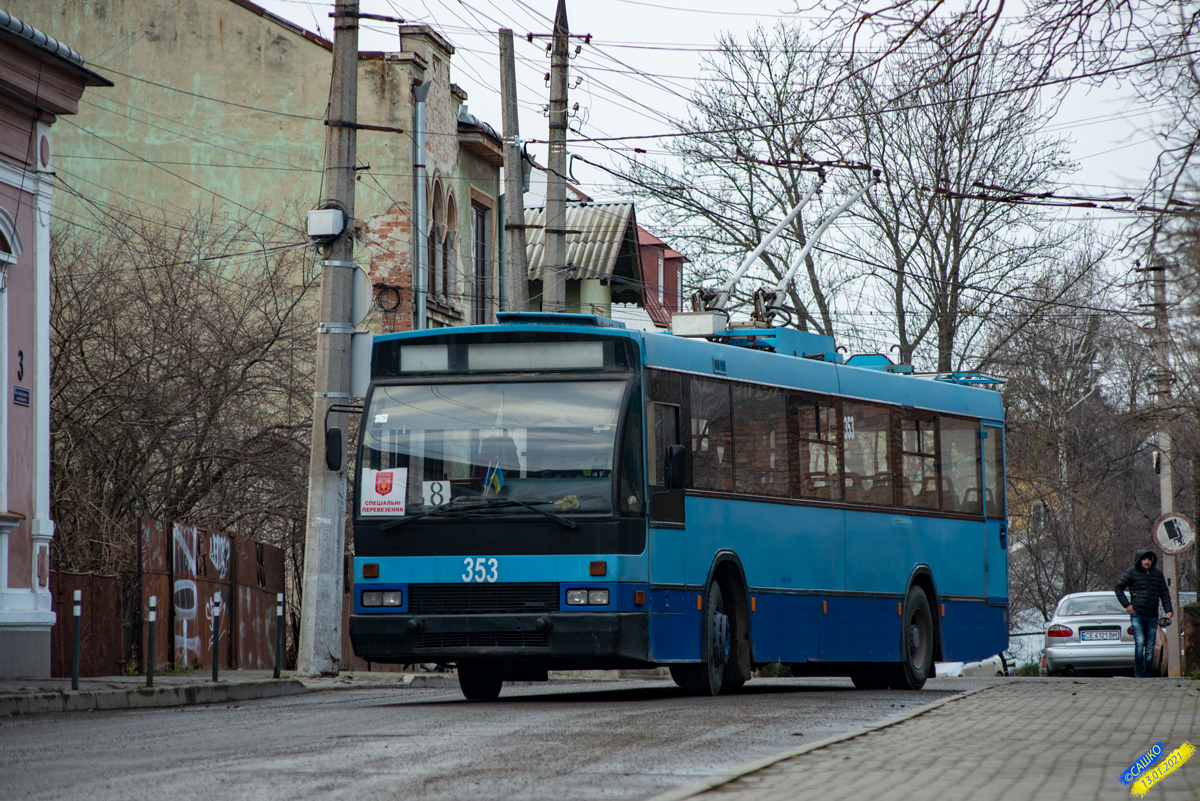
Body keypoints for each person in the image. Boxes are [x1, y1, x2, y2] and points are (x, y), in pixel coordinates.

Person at [1114, 550, 1173, 677]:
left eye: (1149, 559)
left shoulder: (1157, 574)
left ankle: (1147, 675)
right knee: (1140, 643)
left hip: (1152, 615)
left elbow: (1164, 593)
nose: (1147, 562)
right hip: (1137, 614)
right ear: (1139, 560)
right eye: (1144, 559)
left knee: (1150, 647)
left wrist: (1168, 609)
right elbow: (1118, 588)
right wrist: (1127, 605)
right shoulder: (1132, 573)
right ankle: (1139, 673)